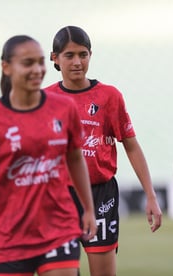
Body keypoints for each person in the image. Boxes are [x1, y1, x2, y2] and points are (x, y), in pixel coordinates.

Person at [0, 35, 97, 276]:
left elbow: (75, 158)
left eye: (40, 62)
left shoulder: (63, 108)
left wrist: (88, 208)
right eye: (28, 63)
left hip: (59, 229)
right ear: (6, 67)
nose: (37, 70)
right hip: (9, 239)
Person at [46, 26, 163, 276]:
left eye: (83, 54)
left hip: (101, 195)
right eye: (69, 55)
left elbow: (131, 145)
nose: (77, 62)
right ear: (55, 58)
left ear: (90, 55)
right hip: (58, 197)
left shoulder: (109, 97)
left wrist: (150, 195)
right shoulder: (44, 100)